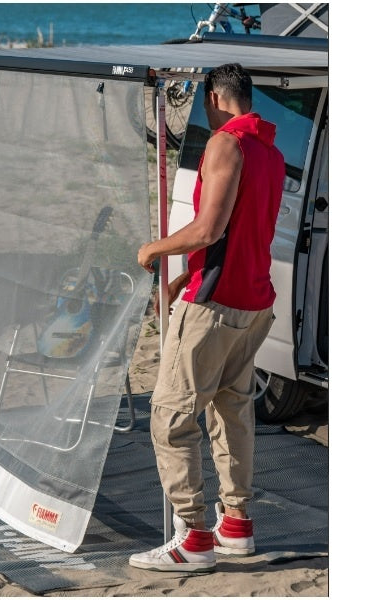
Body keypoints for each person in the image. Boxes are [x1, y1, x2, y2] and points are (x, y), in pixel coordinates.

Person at [129, 63, 285, 573]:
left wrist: (154, 250)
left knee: (170, 416)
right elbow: (241, 232)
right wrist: (185, 278)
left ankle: (193, 536)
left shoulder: (226, 144)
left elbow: (208, 230)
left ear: (214, 97)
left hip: (215, 305)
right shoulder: (271, 153)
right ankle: (235, 525)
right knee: (231, 410)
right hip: (253, 301)